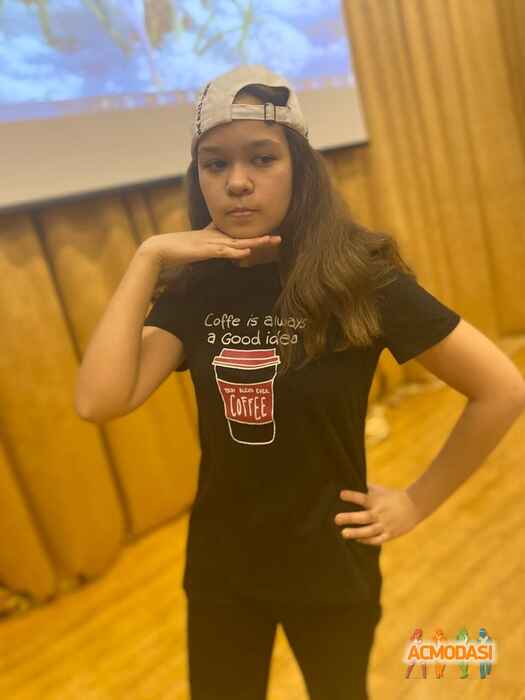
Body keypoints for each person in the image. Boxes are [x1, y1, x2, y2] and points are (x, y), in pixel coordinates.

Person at [76, 64, 525, 700]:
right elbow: (99, 400)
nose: (236, 181)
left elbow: (502, 389)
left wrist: (416, 502)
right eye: (214, 164)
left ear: (300, 168)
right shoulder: (198, 287)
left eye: (262, 158)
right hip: (224, 568)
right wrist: (147, 257)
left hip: (330, 566)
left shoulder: (358, 278)